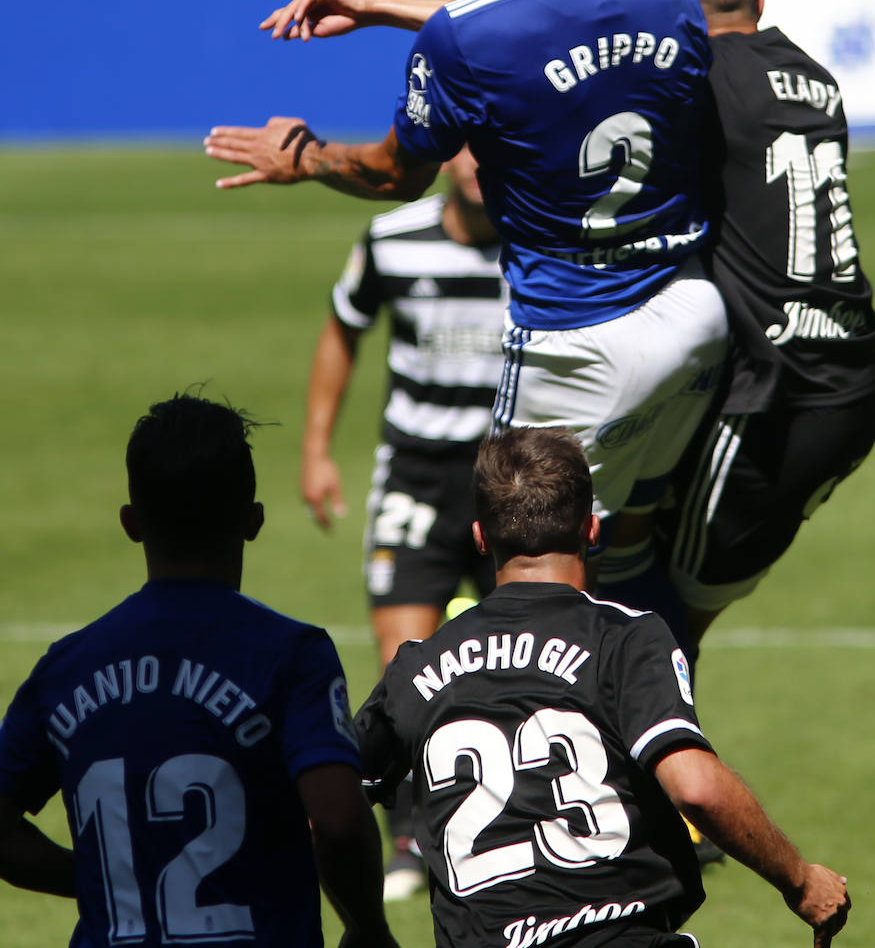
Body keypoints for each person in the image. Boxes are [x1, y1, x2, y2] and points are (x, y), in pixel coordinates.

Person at [204, 0, 728, 645]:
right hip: (689, 315)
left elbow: (392, 176)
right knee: (623, 556)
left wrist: (304, 158)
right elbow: (554, 20)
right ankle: (654, 714)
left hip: (573, 343)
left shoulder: (468, 39)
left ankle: (547, 761)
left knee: (525, 596)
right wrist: (380, 8)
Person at [354, 425, 851, 948]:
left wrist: (365, 925)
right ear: (593, 531)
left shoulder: (416, 666)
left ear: (480, 537)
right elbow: (696, 788)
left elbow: (331, 806)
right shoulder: (625, 637)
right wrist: (799, 879)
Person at [0, 392, 397, 948]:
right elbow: (335, 816)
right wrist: (368, 927)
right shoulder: (291, 654)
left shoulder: (64, 668)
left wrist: (108, 883)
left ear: (131, 524)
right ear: (252, 521)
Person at [636, 0, 875, 648]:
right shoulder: (816, 79)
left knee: (655, 631)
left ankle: (648, 760)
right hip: (845, 373)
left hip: (773, 394)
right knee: (651, 612)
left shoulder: (697, 79)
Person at [302, 145, 506, 896]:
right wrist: (316, 450)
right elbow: (341, 328)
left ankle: (514, 826)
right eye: (466, 145)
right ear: (444, 154)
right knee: (404, 662)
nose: (479, 161)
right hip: (415, 479)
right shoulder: (391, 240)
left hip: (509, 484)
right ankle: (411, 840)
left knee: (528, 653)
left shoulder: (540, 242)